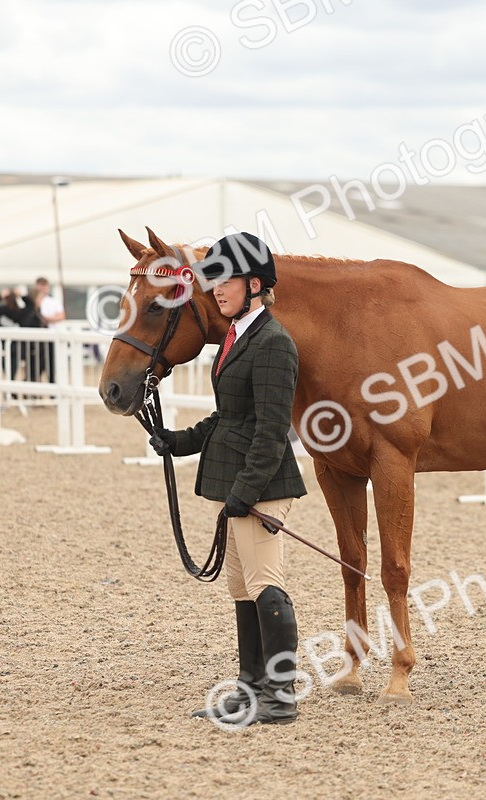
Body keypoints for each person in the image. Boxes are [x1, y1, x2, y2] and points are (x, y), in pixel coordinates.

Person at [148, 232, 307, 725]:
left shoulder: (275, 344)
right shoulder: (237, 337)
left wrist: (245, 491)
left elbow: (272, 429)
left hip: (264, 487)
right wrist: (178, 441)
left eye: (228, 280)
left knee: (265, 584)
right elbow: (228, 418)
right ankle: (251, 687)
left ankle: (280, 695)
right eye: (215, 280)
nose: (217, 289)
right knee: (242, 587)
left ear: (255, 285)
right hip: (240, 484)